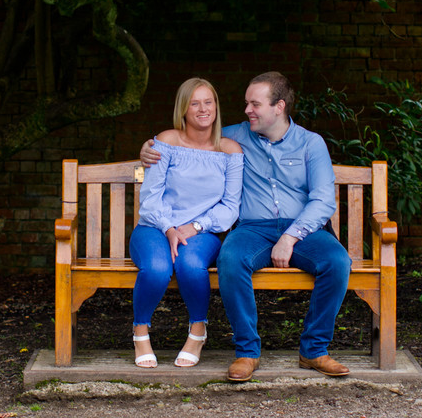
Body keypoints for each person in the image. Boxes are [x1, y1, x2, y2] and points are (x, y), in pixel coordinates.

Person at [140, 71, 351, 382]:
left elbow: (322, 201)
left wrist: (290, 237)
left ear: (278, 107)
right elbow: (192, 139)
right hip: (253, 229)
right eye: (246, 104)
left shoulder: (311, 144)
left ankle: (314, 350)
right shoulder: (234, 137)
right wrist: (148, 148)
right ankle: (247, 353)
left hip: (303, 230)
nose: (247, 110)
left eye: (255, 104)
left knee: (337, 261)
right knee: (230, 259)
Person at [130, 77, 243, 369]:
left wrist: (194, 227)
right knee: (156, 269)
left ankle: (198, 330)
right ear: (183, 108)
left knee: (191, 265)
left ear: (217, 107)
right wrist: (169, 229)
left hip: (202, 231)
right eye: (195, 103)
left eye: (209, 102)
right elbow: (150, 197)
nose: (203, 109)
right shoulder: (166, 142)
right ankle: (140, 331)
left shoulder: (230, 150)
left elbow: (231, 207)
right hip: (154, 228)